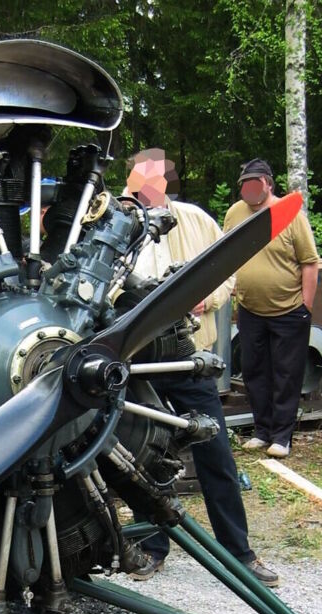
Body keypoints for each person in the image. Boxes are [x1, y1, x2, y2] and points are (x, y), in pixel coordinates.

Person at [124, 149, 279, 586]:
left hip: (190, 356)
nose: (146, 187)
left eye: (154, 178)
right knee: (144, 456)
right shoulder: (117, 224)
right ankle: (151, 547)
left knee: (216, 454)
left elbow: (228, 272)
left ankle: (239, 553)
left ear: (166, 182)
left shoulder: (196, 220)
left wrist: (205, 299)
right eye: (139, 179)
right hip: (138, 361)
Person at [224, 159, 318, 459]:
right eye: (245, 183)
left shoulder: (290, 215)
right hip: (250, 309)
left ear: (268, 184)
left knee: (286, 374)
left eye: (255, 182)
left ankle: (281, 436)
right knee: (254, 371)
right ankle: (262, 431)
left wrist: (305, 305)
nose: (249, 188)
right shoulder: (235, 213)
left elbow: (310, 263)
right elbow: (226, 252)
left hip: (289, 310)